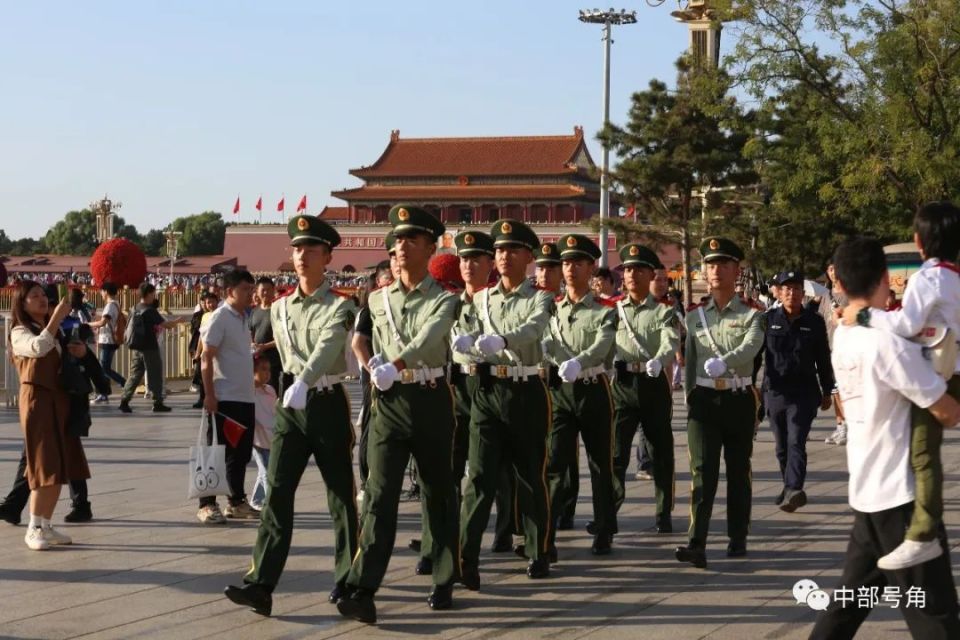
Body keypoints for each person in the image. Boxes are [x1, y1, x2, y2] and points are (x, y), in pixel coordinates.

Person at [809, 236, 960, 640]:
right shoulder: (888, 344)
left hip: (867, 493)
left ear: (839, 281)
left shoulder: (845, 334)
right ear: (884, 278)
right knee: (936, 619)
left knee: (848, 605)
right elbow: (946, 411)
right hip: (902, 501)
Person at [225, 216, 358, 617]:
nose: (302, 256)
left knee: (340, 495)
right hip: (291, 408)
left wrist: (304, 381)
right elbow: (281, 352)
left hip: (326, 400)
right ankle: (261, 584)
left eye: (311, 250)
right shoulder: (279, 307)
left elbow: (328, 346)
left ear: (327, 257)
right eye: (297, 249)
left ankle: (349, 579)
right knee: (278, 492)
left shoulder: (341, 305)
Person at [336, 205, 459, 623]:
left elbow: (429, 338)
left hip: (429, 397)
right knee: (379, 493)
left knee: (438, 491)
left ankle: (444, 575)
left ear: (430, 248)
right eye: (398, 240)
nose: (402, 246)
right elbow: (362, 339)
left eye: (412, 239)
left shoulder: (444, 300)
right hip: (388, 402)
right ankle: (363, 586)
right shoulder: (376, 298)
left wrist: (397, 364)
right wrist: (372, 363)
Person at [841, 202, 960, 571]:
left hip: (941, 374)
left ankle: (922, 533)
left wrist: (867, 315)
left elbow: (907, 325)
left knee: (923, 453)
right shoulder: (954, 277)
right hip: (954, 369)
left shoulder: (928, 278)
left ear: (918, 241)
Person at [458, 221, 555, 587]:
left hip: (525, 389)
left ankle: (537, 549)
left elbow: (534, 328)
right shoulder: (481, 299)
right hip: (486, 392)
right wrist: (462, 345)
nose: (503, 256)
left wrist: (501, 340)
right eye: (499, 250)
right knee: (479, 476)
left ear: (529, 256)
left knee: (529, 475)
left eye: (512, 249)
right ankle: (466, 557)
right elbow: (465, 332)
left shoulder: (541, 298)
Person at [675, 237, 765, 569]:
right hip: (704, 401)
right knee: (702, 472)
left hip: (739, 398)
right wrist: (689, 399)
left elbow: (752, 347)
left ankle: (737, 536)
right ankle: (696, 542)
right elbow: (690, 362)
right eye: (711, 264)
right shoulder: (694, 316)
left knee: (738, 471)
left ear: (736, 270)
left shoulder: (753, 313)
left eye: (723, 264)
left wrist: (725, 361)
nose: (716, 270)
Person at [543, 233, 617, 557]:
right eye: (566, 263)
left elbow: (603, 345)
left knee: (600, 464)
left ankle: (604, 528)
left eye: (578, 263)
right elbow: (546, 342)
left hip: (592, 388)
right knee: (555, 461)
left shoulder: (605, 310)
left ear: (591, 269)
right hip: (561, 392)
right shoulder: (552, 309)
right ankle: (545, 535)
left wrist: (579, 362)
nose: (570, 269)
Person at [8, 280, 90, 550]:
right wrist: (56, 319)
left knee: (60, 466)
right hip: (38, 401)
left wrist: (80, 351)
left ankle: (45, 523)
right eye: (34, 296)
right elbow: (37, 348)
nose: (42, 299)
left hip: (59, 400)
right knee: (44, 464)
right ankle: (33, 527)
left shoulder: (53, 331)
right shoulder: (19, 331)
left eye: (43, 295)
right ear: (22, 303)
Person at [611, 243, 679, 534]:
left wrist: (660, 359)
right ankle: (608, 513)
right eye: (627, 269)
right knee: (615, 454)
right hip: (622, 384)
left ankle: (663, 513)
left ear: (651, 275)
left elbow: (670, 340)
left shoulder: (664, 311)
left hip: (653, 385)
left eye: (638, 269)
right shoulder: (613, 310)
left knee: (661, 453)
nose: (631, 274)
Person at [761, 271, 834, 513]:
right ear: (779, 293)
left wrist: (827, 389)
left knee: (796, 441)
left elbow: (823, 358)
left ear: (803, 293)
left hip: (804, 393)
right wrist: (752, 389)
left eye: (796, 289)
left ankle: (794, 488)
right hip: (775, 392)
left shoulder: (814, 322)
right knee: (781, 447)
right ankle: (788, 487)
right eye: (787, 289)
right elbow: (757, 356)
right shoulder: (767, 319)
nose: (791, 293)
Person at [196, 270, 258, 524]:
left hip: (245, 397)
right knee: (217, 452)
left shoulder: (243, 318)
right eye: (245, 289)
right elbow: (206, 357)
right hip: (224, 397)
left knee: (240, 454)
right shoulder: (220, 317)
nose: (250, 294)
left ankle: (236, 501)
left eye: (251, 289)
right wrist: (209, 394)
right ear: (230, 291)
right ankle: (207, 504)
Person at [534, 242, 579, 529]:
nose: (545, 274)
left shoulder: (566, 304)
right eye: (541, 268)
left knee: (563, 450)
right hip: (533, 380)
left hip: (560, 381)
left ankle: (563, 506)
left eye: (551, 268)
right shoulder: (528, 303)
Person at [118, 283, 187, 413]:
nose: (154, 296)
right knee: (155, 374)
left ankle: (124, 401)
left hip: (137, 346)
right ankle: (157, 402)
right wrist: (178, 321)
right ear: (148, 294)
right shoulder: (149, 310)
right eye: (153, 293)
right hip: (149, 346)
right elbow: (166, 325)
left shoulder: (134, 308)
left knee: (135, 375)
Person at [822, 262, 850, 445]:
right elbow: (822, 319)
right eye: (830, 269)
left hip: (845, 348)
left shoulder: (851, 294)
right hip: (828, 347)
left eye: (836, 268)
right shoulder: (826, 295)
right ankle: (840, 425)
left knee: (842, 389)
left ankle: (847, 425)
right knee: (833, 390)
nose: (833, 272)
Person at [85, 282, 126, 402]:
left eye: (102, 291)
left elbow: (103, 322)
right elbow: (106, 320)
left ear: (106, 292)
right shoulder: (115, 304)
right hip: (109, 339)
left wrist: (88, 324)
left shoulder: (110, 306)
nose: (101, 294)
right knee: (105, 368)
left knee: (104, 368)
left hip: (108, 339)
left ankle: (124, 384)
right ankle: (104, 393)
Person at [249, 356, 276, 511]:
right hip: (257, 439)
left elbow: (274, 412)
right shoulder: (248, 392)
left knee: (264, 470)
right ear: (253, 371)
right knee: (267, 472)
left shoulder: (270, 390)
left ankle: (257, 500)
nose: (267, 374)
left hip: (270, 437)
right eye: (263, 369)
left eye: (269, 370)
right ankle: (272, 504)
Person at [250, 277, 281, 394]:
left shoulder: (278, 311)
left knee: (271, 393)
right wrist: (252, 344)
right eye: (263, 290)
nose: (266, 293)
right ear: (257, 291)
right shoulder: (254, 311)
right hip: (257, 361)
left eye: (269, 289)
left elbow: (282, 338)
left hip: (273, 361)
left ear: (274, 290)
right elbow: (250, 332)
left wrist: (264, 346)